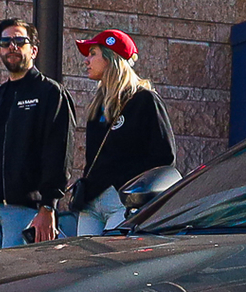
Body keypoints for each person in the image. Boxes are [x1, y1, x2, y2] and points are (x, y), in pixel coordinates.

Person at [0, 18, 73, 251]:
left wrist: (48, 206)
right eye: (5, 41)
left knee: (17, 284)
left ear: (34, 50)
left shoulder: (50, 93)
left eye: (20, 41)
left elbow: (59, 154)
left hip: (25, 212)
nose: (12, 47)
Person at [65, 29, 175, 236]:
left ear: (111, 58)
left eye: (93, 53)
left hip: (121, 201)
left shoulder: (144, 100)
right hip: (91, 202)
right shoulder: (98, 104)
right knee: (84, 264)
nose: (86, 60)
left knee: (110, 260)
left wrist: (130, 190)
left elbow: (164, 157)